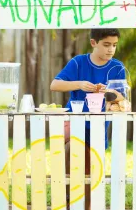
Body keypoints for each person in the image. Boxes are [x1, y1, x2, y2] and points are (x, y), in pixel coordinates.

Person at [50, 28, 126, 209]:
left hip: (99, 128)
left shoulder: (117, 68)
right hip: (74, 125)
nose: (111, 50)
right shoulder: (78, 63)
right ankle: (72, 203)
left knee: (92, 170)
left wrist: (107, 92)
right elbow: (55, 85)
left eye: (114, 45)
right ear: (94, 43)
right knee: (72, 157)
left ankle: (86, 205)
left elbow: (122, 96)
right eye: (106, 45)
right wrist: (79, 84)